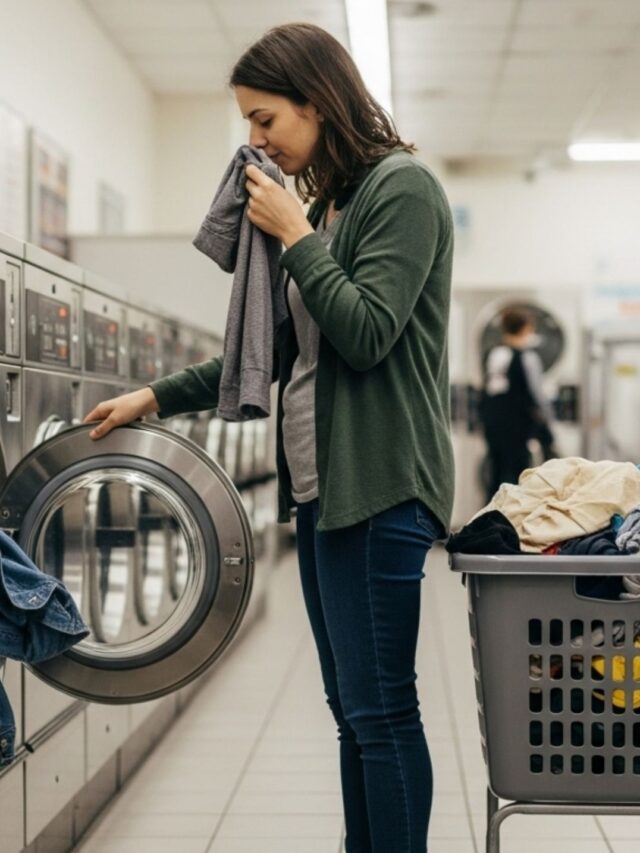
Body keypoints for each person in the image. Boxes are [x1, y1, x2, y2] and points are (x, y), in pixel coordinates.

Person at [83, 23, 454, 853]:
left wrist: (296, 236)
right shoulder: (330, 204)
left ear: (317, 105)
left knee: (384, 711)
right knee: (351, 712)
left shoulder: (404, 190)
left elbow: (365, 332)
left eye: (265, 120)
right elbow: (271, 354)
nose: (254, 143)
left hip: (383, 483)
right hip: (326, 488)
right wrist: (153, 396)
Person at [480, 308, 556, 502]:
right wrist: (548, 421)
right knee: (520, 474)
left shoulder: (493, 354)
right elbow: (536, 394)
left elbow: (489, 390)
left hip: (494, 425)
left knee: (496, 472)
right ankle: (515, 521)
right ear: (525, 329)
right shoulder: (528, 358)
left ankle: (491, 518)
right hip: (519, 426)